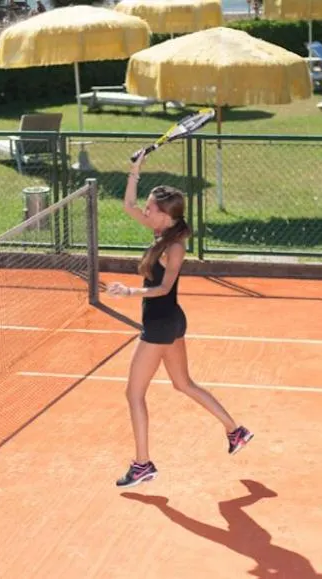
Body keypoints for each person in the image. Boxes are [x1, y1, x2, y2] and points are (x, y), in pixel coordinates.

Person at [106, 153, 253, 488]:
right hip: (171, 323)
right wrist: (134, 168)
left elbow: (164, 287)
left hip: (161, 324)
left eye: (151, 208)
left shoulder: (175, 247)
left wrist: (129, 293)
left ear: (166, 217)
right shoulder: (161, 232)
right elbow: (127, 204)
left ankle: (142, 465)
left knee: (134, 394)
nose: (144, 211)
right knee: (183, 384)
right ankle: (236, 430)